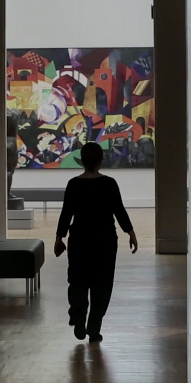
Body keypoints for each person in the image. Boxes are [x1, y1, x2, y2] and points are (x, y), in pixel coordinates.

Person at [54, 141, 138, 343]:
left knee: (78, 280)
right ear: (101, 160)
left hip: (79, 240)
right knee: (103, 284)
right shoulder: (109, 184)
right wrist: (131, 232)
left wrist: (59, 238)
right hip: (105, 240)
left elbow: (66, 213)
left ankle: (78, 316)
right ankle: (94, 327)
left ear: (82, 161)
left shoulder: (74, 184)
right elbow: (119, 210)